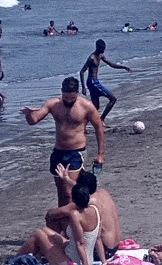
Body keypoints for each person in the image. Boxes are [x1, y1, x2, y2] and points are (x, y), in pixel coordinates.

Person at [22, 77, 107, 208]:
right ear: (62, 92)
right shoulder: (53, 104)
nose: (68, 101)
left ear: (77, 93)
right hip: (58, 152)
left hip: (76, 152)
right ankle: (63, 223)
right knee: (61, 191)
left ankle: (75, 220)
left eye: (71, 98)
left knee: (69, 191)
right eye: (65, 97)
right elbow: (33, 120)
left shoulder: (86, 106)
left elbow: (98, 127)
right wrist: (28, 114)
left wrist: (100, 154)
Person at [17, 181, 104, 265]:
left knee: (37, 234)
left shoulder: (75, 214)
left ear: (73, 200)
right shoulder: (95, 209)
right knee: (44, 230)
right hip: (82, 256)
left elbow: (80, 243)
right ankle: (35, 256)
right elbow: (98, 238)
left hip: (73, 262)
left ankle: (12, 262)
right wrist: (104, 262)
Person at [45, 166, 123, 262]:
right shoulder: (103, 192)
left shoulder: (88, 200)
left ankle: (52, 248)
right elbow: (83, 188)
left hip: (102, 251)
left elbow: (52, 214)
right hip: (114, 247)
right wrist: (67, 179)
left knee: (57, 219)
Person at [80, 39, 131, 119]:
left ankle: (83, 124)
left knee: (95, 107)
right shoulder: (91, 58)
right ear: (97, 47)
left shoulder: (100, 55)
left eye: (104, 48)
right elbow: (82, 71)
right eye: (101, 48)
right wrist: (83, 87)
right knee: (113, 99)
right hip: (92, 82)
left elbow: (112, 64)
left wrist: (123, 67)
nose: (103, 50)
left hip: (94, 82)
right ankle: (101, 119)